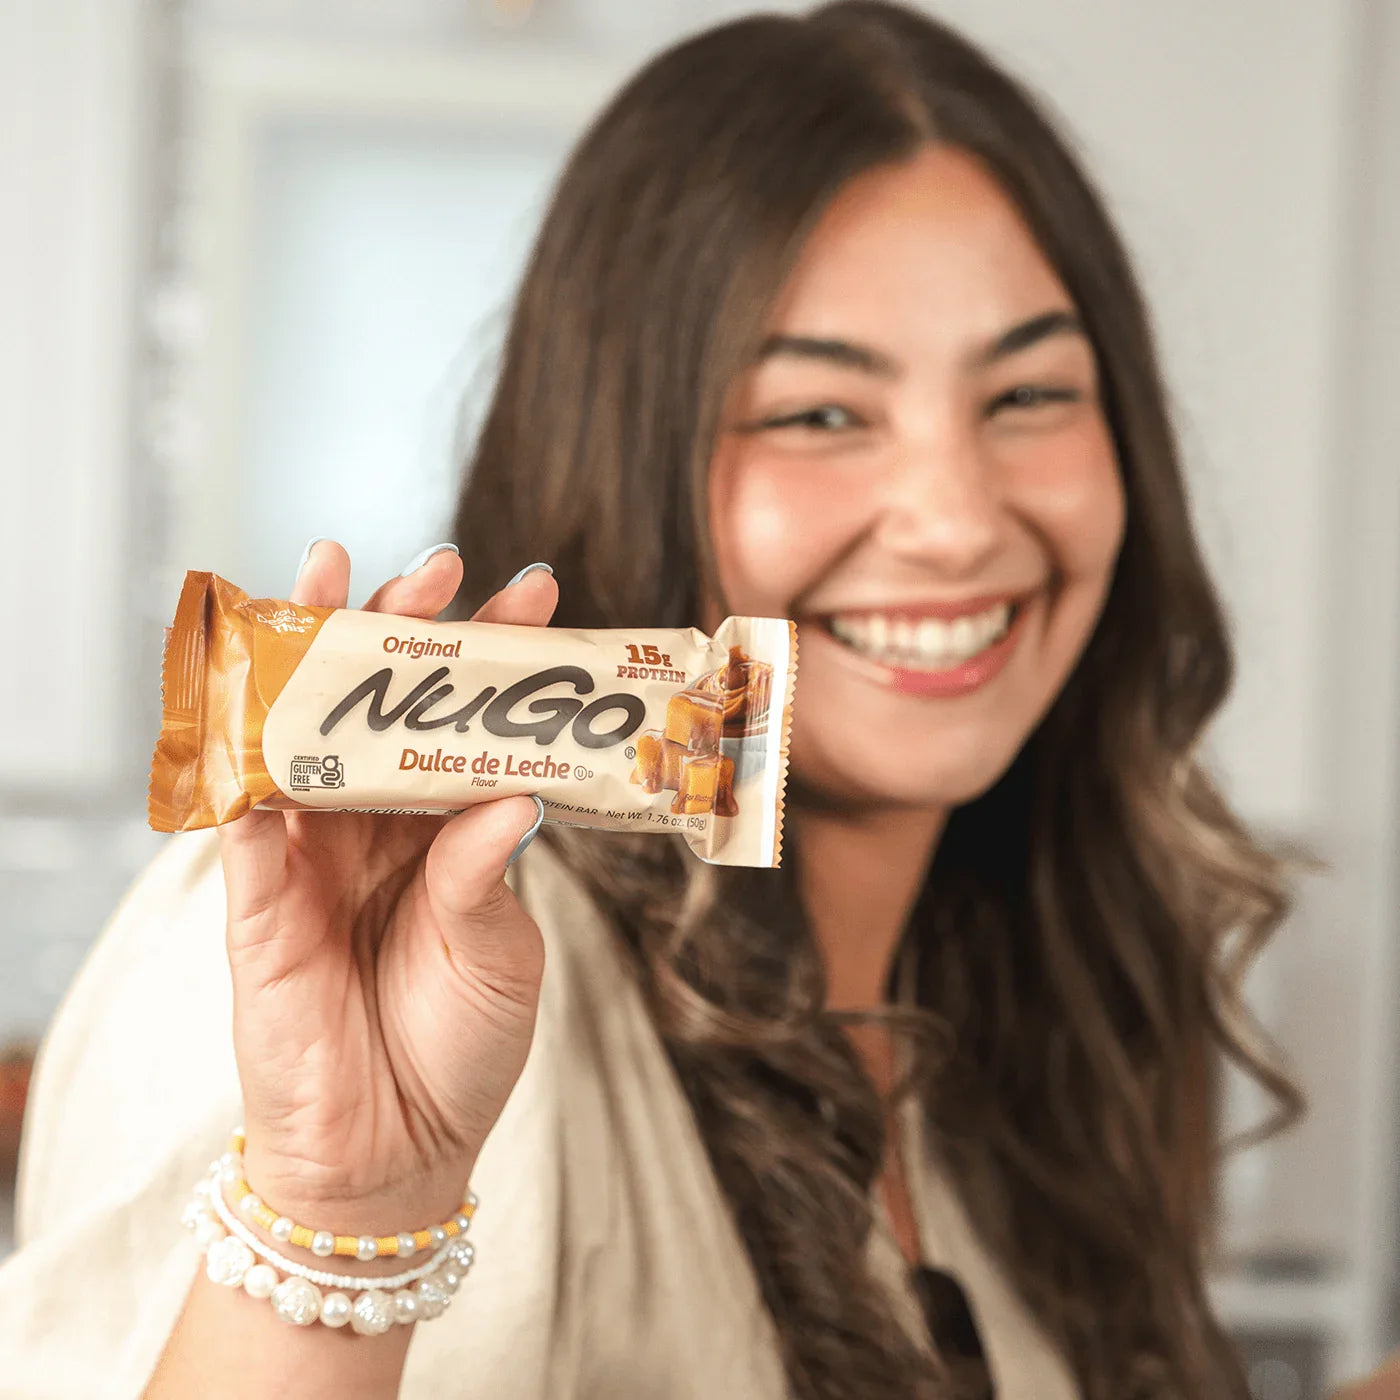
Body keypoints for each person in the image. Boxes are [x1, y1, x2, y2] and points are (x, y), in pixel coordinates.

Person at [0, 4, 1307, 1397]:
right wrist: (342, 1212)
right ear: (618, 451)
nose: (955, 519)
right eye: (817, 414)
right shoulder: (359, 944)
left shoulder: (1002, 1013)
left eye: (1032, 393)